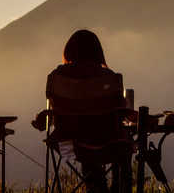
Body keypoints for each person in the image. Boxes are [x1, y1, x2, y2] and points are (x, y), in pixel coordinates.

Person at [47, 29, 127, 193]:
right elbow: (120, 110)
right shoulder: (109, 77)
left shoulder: (57, 77)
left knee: (84, 140)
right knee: (123, 144)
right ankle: (118, 189)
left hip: (69, 142)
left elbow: (54, 109)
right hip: (105, 140)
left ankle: (97, 188)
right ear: (98, 52)